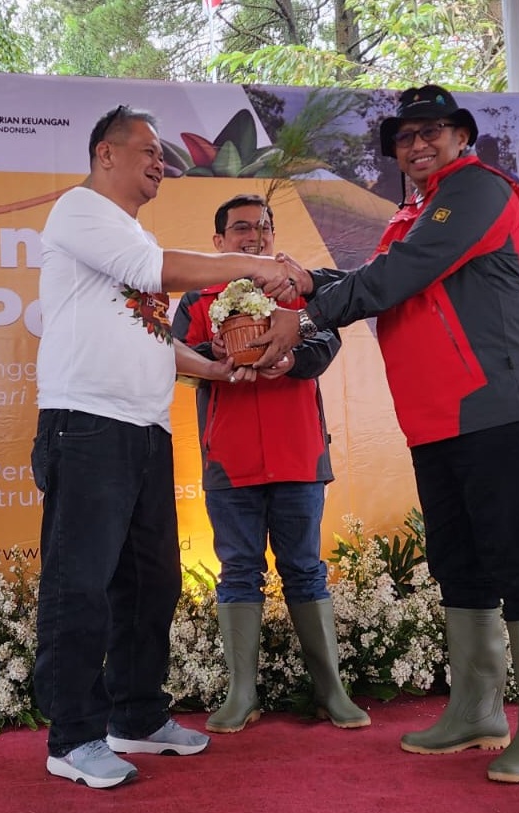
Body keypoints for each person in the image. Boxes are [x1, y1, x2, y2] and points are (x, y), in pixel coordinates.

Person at [252, 84, 519, 784]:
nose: (417, 145)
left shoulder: (478, 189)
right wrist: (309, 284)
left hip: (497, 399)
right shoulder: (415, 212)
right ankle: (477, 708)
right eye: (404, 137)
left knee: (517, 559)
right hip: (436, 411)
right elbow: (383, 278)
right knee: (458, 560)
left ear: (462, 137)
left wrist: (305, 316)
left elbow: (401, 276)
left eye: (432, 131)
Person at [31, 104, 298, 789]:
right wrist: (256, 266)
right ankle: (74, 736)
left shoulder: (126, 234)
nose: (160, 162)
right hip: (85, 421)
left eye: (161, 153)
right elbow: (156, 272)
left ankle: (136, 716)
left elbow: (149, 328)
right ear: (105, 154)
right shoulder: (79, 210)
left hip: (146, 427)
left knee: (152, 583)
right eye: (148, 150)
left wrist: (210, 367)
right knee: (80, 585)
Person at [169, 194, 370, 735]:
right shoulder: (195, 300)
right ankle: (242, 694)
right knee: (237, 572)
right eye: (240, 229)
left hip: (299, 454)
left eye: (262, 227)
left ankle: (331, 690)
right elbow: (173, 359)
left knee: (305, 569)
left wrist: (290, 357)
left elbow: (326, 344)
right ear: (218, 242)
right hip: (229, 460)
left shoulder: (298, 291)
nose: (253, 237)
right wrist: (215, 357)